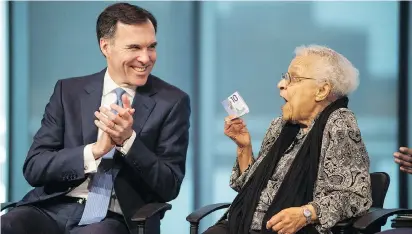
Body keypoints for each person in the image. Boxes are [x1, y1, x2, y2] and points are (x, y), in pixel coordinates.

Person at [1, 2, 190, 234]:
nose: (145, 58)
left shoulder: (172, 102)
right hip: (54, 207)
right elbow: (34, 167)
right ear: (105, 47)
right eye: (134, 48)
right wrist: (94, 151)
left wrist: (128, 141)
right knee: (8, 224)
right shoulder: (68, 92)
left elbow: (169, 185)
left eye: (151, 47)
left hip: (116, 217)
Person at [204, 45, 372, 234]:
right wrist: (244, 147)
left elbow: (356, 195)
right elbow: (248, 190)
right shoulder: (280, 126)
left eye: (293, 78)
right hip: (243, 223)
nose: (281, 84)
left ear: (322, 90)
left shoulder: (339, 124)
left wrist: (306, 214)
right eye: (285, 77)